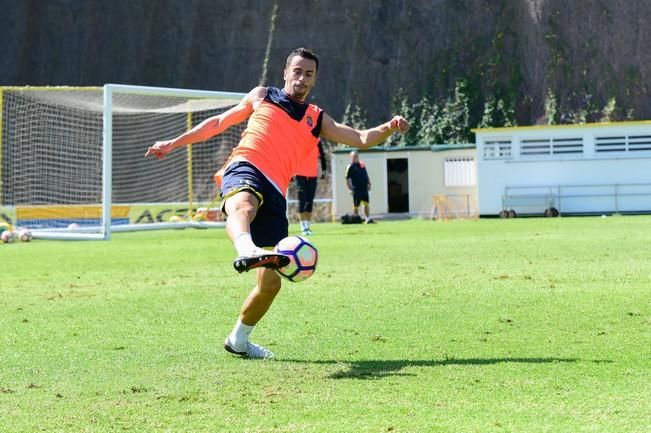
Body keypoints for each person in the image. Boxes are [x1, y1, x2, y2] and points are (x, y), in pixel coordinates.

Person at [145, 47, 409, 359]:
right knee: (243, 205)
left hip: (276, 192)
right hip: (245, 165)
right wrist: (174, 143)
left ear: (314, 79)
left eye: (308, 74)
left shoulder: (316, 117)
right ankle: (246, 248)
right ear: (285, 72)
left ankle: (238, 340)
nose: (302, 78)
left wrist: (390, 127)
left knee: (270, 285)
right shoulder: (262, 95)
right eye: (297, 71)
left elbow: (361, 138)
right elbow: (218, 122)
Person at [294, 139, 326, 236]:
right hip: (300, 174)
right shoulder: (299, 139)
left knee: (310, 201)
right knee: (302, 200)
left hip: (312, 175)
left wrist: (324, 171)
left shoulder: (317, 141)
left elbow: (322, 156)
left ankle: (308, 226)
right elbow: (292, 156)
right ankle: (303, 227)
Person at [345, 150, 374, 223]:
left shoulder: (362, 164)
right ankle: (356, 218)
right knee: (356, 205)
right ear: (351, 157)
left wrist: (369, 183)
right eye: (353, 157)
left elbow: (366, 174)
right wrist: (350, 189)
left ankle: (368, 219)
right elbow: (347, 179)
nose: (355, 158)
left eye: (356, 156)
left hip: (364, 187)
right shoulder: (350, 167)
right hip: (356, 188)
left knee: (366, 203)